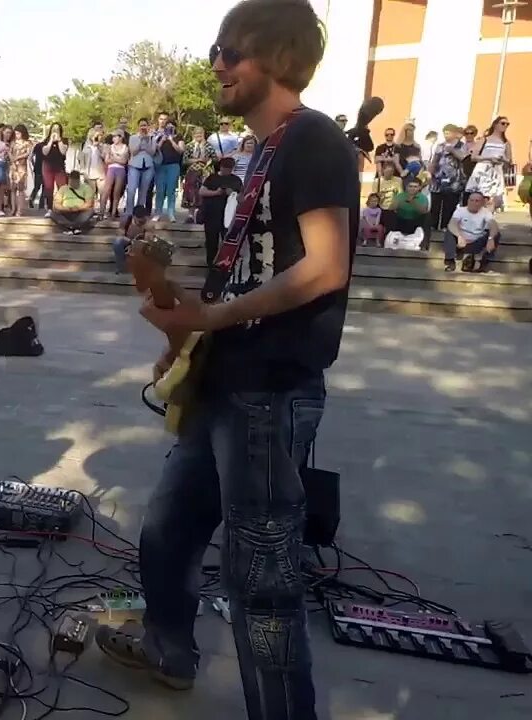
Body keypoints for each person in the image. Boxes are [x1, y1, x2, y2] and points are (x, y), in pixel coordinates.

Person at [96, 6, 358, 720]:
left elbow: (326, 268)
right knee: (167, 534)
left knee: (262, 585)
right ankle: (168, 650)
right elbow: (246, 279)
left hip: (270, 394)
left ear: (274, 53)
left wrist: (210, 316)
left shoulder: (315, 140)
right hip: (224, 382)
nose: (215, 64)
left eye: (228, 51)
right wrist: (179, 333)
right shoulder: (264, 152)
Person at [198, 157, 243, 266]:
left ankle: (226, 263)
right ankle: (211, 263)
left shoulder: (236, 180)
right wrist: (216, 192)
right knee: (211, 241)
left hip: (228, 215)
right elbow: (202, 191)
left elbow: (242, 197)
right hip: (211, 213)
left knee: (227, 240)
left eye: (229, 169)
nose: (226, 171)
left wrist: (233, 194)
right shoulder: (212, 178)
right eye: (225, 168)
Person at [443, 190, 500, 273]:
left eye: (477, 201)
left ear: (482, 203)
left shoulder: (485, 212)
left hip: (476, 241)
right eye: (471, 200)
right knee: (449, 232)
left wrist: (491, 238)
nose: (474, 203)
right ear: (468, 201)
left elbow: (493, 225)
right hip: (461, 241)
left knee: (496, 234)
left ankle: (484, 262)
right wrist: (459, 236)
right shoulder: (461, 210)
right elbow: (452, 223)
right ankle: (450, 261)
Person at [50, 171, 97, 235]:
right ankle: (73, 227)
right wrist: (65, 209)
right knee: (53, 213)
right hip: (66, 212)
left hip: (80, 212)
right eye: (71, 181)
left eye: (75, 181)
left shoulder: (86, 188)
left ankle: (69, 227)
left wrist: (77, 208)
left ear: (78, 180)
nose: (73, 183)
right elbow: (57, 203)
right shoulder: (63, 188)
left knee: (90, 211)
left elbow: (89, 203)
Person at [110, 206, 154, 272]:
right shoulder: (126, 220)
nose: (140, 222)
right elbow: (120, 235)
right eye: (139, 220)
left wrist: (136, 245)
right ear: (134, 216)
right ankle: (121, 267)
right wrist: (131, 243)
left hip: (141, 244)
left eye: (142, 220)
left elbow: (148, 240)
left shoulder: (148, 224)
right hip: (127, 241)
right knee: (117, 242)